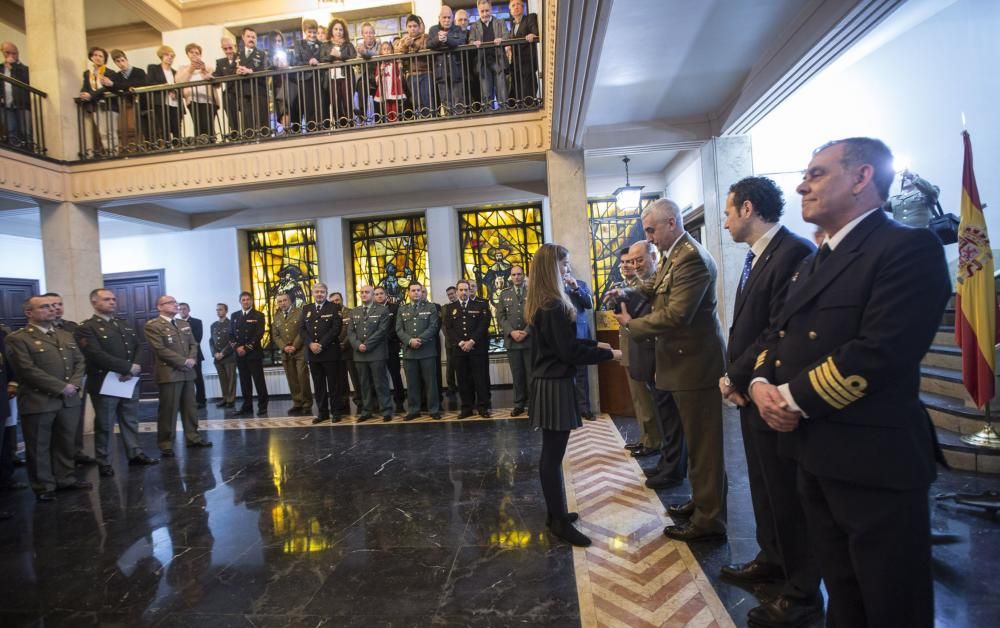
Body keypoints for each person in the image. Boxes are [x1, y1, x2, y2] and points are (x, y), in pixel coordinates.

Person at [749, 138, 950, 628]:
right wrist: (758, 381)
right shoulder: (816, 261)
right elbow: (778, 335)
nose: (802, 184)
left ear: (862, 178)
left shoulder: (905, 247)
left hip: (872, 459)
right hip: (814, 452)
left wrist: (789, 398)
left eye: (816, 173)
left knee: (889, 600)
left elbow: (880, 352)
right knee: (844, 594)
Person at [717, 176, 821, 625]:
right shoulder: (756, 256)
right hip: (751, 388)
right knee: (762, 484)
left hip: (772, 388)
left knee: (786, 492)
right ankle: (772, 558)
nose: (723, 222)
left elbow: (776, 327)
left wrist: (737, 375)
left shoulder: (793, 252)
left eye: (726, 212)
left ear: (747, 208)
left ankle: (800, 589)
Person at [614, 198, 728, 542]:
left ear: (671, 224)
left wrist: (632, 325)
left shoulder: (690, 259)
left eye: (651, 230)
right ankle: (702, 502)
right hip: (683, 364)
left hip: (694, 365)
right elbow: (653, 287)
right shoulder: (674, 256)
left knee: (705, 447)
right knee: (695, 442)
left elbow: (677, 315)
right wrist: (627, 288)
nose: (649, 237)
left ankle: (710, 520)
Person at [527, 244, 619, 547]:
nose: (568, 269)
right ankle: (557, 521)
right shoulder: (552, 304)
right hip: (554, 383)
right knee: (552, 457)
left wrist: (597, 346)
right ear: (551, 268)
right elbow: (567, 351)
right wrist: (608, 354)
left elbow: (563, 342)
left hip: (551, 380)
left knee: (553, 455)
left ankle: (557, 514)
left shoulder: (545, 301)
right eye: (564, 265)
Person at [5, 296, 90, 502]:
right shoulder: (18, 338)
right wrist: (61, 387)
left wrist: (75, 385)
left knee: (66, 442)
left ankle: (65, 478)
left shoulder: (64, 334)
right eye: (44, 307)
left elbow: (80, 361)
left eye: (53, 306)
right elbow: (26, 370)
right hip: (39, 400)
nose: (51, 310)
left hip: (68, 399)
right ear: (29, 313)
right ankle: (43, 485)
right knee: (39, 446)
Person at [75, 288, 159, 477]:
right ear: (94, 302)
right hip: (105, 381)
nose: (112, 302)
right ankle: (104, 461)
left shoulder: (123, 324)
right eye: (106, 299)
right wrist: (126, 368)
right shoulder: (86, 327)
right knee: (105, 424)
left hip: (128, 381)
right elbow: (94, 354)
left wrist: (135, 365)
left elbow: (139, 346)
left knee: (130, 420)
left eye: (113, 299)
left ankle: (134, 453)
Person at [144, 295, 211, 456]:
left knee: (190, 408)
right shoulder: (153, 326)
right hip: (170, 373)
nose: (176, 305)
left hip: (188, 372)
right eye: (171, 303)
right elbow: (160, 349)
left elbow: (193, 344)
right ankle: (166, 444)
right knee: (169, 410)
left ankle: (193, 438)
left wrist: (192, 358)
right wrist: (183, 361)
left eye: (176, 302)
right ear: (160, 307)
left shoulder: (183, 323)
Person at [443, 279, 491, 418]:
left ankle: (483, 407)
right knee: (463, 380)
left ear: (470, 290)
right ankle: (466, 408)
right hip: (459, 350)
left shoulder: (480, 305)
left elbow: (483, 325)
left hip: (477, 348)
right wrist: (460, 343)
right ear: (457, 291)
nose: (464, 292)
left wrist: (471, 341)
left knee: (480, 378)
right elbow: (449, 329)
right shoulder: (450, 308)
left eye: (466, 289)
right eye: (461, 290)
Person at [347, 285, 394, 421]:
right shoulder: (354, 311)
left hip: (376, 353)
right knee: (364, 383)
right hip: (359, 354)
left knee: (380, 383)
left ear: (373, 295)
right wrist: (357, 345)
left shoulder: (382, 310)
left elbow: (382, 330)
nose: (364, 294)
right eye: (361, 292)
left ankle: (386, 410)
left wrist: (366, 345)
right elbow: (350, 332)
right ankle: (366, 410)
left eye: (367, 292)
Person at [302, 283, 346, 423]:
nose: (319, 294)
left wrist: (321, 344)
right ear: (312, 293)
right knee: (318, 385)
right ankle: (322, 413)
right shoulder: (306, 308)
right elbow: (302, 330)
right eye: (317, 291)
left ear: (326, 293)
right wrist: (310, 344)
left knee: (334, 384)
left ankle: (336, 412)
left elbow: (336, 329)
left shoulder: (334, 307)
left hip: (330, 352)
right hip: (313, 354)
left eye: (322, 291)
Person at [396, 282, 441, 420]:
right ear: (408, 293)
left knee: (431, 383)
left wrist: (419, 340)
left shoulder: (431, 307)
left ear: (422, 292)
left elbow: (434, 326)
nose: (416, 292)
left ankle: (433, 409)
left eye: (418, 290)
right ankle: (414, 410)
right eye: (413, 290)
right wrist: (410, 341)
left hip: (427, 351)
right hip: (410, 352)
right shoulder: (402, 309)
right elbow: (399, 329)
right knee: (412, 383)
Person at [496, 265, 531, 416]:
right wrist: (511, 332)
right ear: (510, 277)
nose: (517, 277)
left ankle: (533, 404)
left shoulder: (532, 292)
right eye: (514, 275)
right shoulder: (504, 294)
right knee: (517, 374)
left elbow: (536, 314)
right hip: (512, 341)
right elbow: (500, 316)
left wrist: (526, 331)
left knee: (531, 373)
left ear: (524, 275)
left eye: (519, 274)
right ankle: (519, 403)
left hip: (529, 340)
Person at [563, 263, 594, 420]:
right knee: (565, 374)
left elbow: (589, 304)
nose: (567, 269)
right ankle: (569, 409)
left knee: (581, 373)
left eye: (569, 266)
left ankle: (584, 408)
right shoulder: (554, 287)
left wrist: (575, 288)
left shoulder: (580, 284)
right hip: (562, 336)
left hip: (580, 335)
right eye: (563, 266)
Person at [230, 291, 269, 417]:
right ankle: (247, 406)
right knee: (244, 381)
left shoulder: (259, 315)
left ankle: (262, 406)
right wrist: (237, 347)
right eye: (243, 300)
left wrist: (246, 348)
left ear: (252, 301)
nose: (246, 301)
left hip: (253, 353)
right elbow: (231, 335)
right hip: (240, 354)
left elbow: (259, 334)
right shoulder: (234, 315)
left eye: (248, 299)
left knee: (259, 381)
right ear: (240, 302)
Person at [273, 292, 312, 416]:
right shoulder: (277, 315)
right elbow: (276, 335)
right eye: (279, 301)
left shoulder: (300, 312)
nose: (282, 303)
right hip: (286, 352)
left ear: (290, 300)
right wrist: (284, 347)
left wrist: (294, 346)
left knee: (302, 377)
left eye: (284, 300)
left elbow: (303, 331)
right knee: (292, 379)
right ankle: (297, 403)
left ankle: (306, 403)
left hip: (299, 351)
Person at [469, 0, 511, 110]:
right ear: (478, 11)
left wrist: (501, 39)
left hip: (498, 60)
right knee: (486, 93)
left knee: (502, 91)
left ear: (491, 9)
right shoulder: (474, 26)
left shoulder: (500, 22)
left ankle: (504, 113)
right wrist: (474, 43)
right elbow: (470, 40)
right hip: (483, 63)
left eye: (487, 10)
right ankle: (488, 115)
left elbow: (507, 35)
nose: (485, 14)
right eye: (482, 11)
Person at [79, 46, 121, 156]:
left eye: (101, 56)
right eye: (96, 55)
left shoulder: (110, 72)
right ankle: (108, 152)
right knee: (102, 132)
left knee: (111, 131)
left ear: (104, 59)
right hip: (95, 106)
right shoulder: (88, 73)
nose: (98, 58)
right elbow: (86, 86)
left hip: (109, 105)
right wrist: (83, 93)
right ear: (91, 57)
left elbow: (106, 88)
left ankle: (115, 153)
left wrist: (91, 95)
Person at [291, 19, 330, 131]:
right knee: (309, 107)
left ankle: (324, 130)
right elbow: (295, 62)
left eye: (314, 32)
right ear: (305, 31)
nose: (312, 35)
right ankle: (311, 130)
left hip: (320, 79)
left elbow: (324, 59)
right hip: (305, 80)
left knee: (321, 106)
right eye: (310, 32)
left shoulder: (321, 44)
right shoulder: (299, 44)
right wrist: (309, 62)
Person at [428, 5, 465, 115]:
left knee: (458, 101)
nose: (447, 20)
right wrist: (438, 39)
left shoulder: (457, 28)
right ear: (439, 17)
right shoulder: (433, 29)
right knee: (446, 101)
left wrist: (447, 39)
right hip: (440, 71)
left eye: (449, 17)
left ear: (453, 18)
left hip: (456, 69)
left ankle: (460, 123)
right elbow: (429, 44)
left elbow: (461, 41)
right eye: (444, 17)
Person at [175, 43, 217, 143]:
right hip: (192, 100)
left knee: (208, 124)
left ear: (200, 55)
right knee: (199, 124)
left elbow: (214, 81)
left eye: (197, 53)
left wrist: (203, 69)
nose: (194, 55)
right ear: (187, 54)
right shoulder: (182, 68)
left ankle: (211, 145)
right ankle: (201, 146)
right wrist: (191, 69)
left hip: (209, 100)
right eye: (192, 52)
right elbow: (179, 82)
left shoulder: (208, 67)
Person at [374, 287, 406, 412]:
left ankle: (399, 402)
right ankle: (381, 402)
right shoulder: (372, 309)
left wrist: (383, 338)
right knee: (379, 377)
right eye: (376, 294)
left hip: (391, 346)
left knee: (395, 375)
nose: (379, 296)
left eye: (381, 293)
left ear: (386, 295)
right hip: (376, 349)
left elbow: (397, 327)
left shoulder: (395, 308)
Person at [235, 27, 271, 136]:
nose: (251, 39)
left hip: (259, 90)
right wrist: (236, 71)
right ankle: (249, 141)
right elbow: (231, 70)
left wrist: (250, 70)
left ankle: (266, 140)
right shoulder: (238, 55)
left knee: (262, 119)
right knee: (247, 120)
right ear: (243, 38)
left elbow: (265, 68)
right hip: (244, 91)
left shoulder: (262, 54)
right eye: (248, 36)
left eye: (253, 37)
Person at [395, 15, 433, 118]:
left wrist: (413, 45)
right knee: (416, 102)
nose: (412, 28)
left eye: (415, 26)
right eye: (410, 26)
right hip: (411, 75)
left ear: (419, 27)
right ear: (406, 28)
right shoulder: (403, 40)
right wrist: (405, 46)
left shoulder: (425, 37)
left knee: (427, 102)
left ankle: (430, 124)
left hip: (426, 73)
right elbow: (397, 52)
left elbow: (426, 49)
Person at [146, 45, 183, 146]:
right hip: (161, 104)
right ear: (161, 56)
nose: (170, 57)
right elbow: (149, 83)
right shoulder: (153, 68)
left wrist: (175, 92)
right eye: (167, 55)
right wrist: (167, 88)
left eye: (172, 56)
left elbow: (180, 88)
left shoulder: (175, 72)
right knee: (164, 129)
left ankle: (178, 148)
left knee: (177, 130)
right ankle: (168, 150)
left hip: (175, 104)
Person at [109, 49, 147, 149]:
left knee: (150, 126)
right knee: (139, 127)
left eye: (122, 60)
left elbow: (141, 84)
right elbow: (114, 88)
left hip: (146, 103)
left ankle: (151, 146)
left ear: (126, 59)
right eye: (118, 62)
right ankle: (143, 147)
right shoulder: (117, 76)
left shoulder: (139, 71)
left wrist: (122, 86)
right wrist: (126, 87)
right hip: (133, 105)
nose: (121, 63)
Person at [325, 18, 357, 128]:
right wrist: (332, 56)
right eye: (336, 29)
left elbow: (353, 56)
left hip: (346, 76)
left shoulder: (348, 44)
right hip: (332, 78)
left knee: (347, 103)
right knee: (335, 104)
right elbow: (322, 58)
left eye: (341, 30)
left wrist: (340, 56)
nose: (338, 32)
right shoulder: (326, 45)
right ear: (331, 31)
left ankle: (350, 126)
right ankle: (339, 127)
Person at [507, 0, 540, 106]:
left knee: (528, 91)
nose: (516, 7)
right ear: (510, 10)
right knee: (516, 93)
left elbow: (535, 32)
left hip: (527, 63)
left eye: (518, 4)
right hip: (516, 65)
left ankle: (530, 107)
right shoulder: (512, 27)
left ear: (523, 7)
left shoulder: (530, 18)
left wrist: (532, 35)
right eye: (513, 5)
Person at [1, 41, 32, 150]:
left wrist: (13, 66)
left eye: (13, 53)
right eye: (7, 52)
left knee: (26, 131)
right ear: (2, 53)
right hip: (5, 104)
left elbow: (26, 80)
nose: (11, 55)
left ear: (17, 53)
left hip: (22, 104)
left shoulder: (24, 69)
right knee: (11, 129)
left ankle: (29, 151)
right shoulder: (0, 68)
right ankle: (15, 150)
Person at [177, 303, 206, 408]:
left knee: (198, 379)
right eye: (180, 309)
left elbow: (197, 339)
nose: (182, 311)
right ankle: (187, 402)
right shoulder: (175, 323)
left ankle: (201, 401)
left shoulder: (197, 322)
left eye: (184, 309)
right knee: (184, 380)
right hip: (181, 357)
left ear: (189, 310)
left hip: (195, 355)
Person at [210, 303, 236, 408]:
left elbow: (232, 341)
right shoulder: (213, 325)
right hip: (217, 358)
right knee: (223, 380)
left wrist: (223, 353)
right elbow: (211, 341)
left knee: (231, 379)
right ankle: (225, 398)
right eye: (217, 310)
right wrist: (215, 353)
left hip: (229, 357)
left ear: (226, 311)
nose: (218, 311)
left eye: (220, 309)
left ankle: (231, 400)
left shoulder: (231, 324)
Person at [214, 37, 241, 139]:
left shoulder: (241, 57)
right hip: (230, 92)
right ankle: (235, 131)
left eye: (230, 48)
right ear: (222, 49)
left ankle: (249, 132)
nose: (228, 51)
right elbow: (217, 75)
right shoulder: (220, 62)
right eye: (225, 49)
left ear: (234, 47)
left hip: (243, 90)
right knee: (226, 96)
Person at [354, 23, 380, 124]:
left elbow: (378, 55)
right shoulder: (359, 47)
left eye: (371, 32)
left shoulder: (380, 45)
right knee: (361, 84)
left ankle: (379, 119)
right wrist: (360, 53)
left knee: (379, 94)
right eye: (366, 33)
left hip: (378, 76)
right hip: (365, 77)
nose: (369, 35)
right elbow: (355, 61)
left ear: (374, 34)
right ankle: (362, 114)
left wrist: (365, 53)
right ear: (362, 35)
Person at [374, 41, 406, 123]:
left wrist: (400, 68)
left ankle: (396, 121)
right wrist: (381, 70)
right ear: (381, 52)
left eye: (388, 49)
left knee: (395, 107)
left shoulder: (395, 63)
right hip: (385, 88)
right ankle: (389, 122)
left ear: (392, 51)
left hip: (393, 88)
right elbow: (377, 80)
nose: (387, 51)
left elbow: (400, 77)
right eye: (384, 49)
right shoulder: (379, 64)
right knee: (386, 107)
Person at [443, 285, 460, 409]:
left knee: (461, 366)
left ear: (457, 293)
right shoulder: (445, 308)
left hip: (462, 343)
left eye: (453, 293)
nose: (451, 296)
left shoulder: (462, 305)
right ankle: (451, 387)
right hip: (449, 341)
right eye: (449, 294)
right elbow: (444, 326)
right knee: (450, 366)